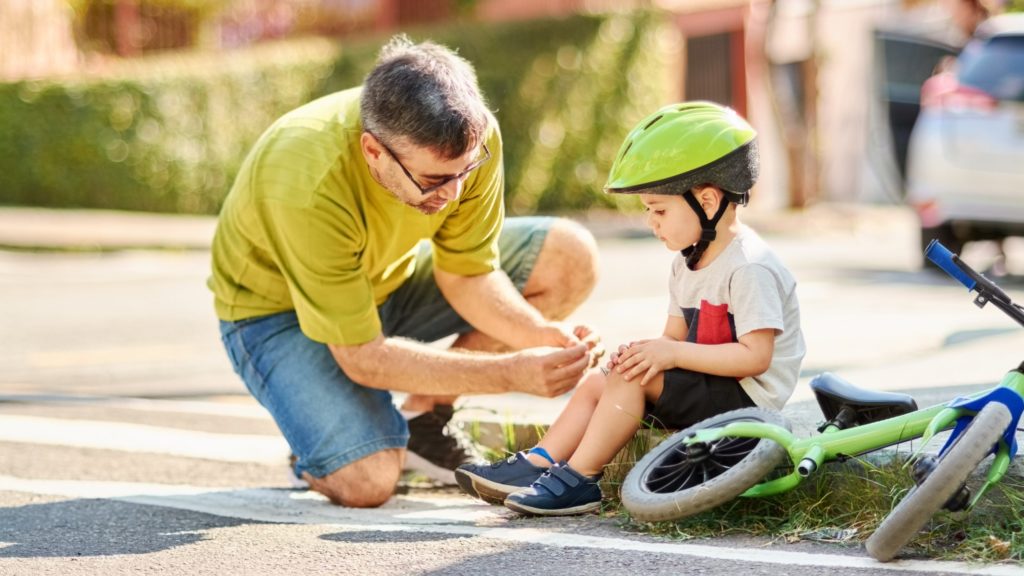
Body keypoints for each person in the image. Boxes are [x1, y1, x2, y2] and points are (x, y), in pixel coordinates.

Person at [209, 35, 602, 508]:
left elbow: (467, 274)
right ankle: (322, 446)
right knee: (366, 481)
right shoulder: (304, 180)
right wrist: (510, 374)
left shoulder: (470, 140)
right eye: (434, 180)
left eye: (465, 172)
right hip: (275, 315)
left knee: (568, 255)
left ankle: (423, 421)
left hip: (387, 281)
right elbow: (363, 356)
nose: (454, 194)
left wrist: (539, 336)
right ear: (373, 151)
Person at [455, 102, 806, 516]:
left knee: (631, 379)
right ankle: (538, 463)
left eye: (660, 210)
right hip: (712, 386)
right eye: (648, 212)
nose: (652, 223)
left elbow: (755, 357)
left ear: (708, 201)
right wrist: (646, 352)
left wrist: (668, 355)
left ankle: (580, 479)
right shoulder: (687, 263)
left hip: (747, 401)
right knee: (602, 380)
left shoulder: (748, 268)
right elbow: (673, 339)